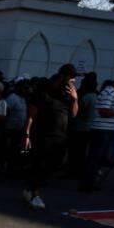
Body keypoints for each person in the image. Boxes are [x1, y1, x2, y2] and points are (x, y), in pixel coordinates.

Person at [22, 65, 78, 209]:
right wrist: (27, 134)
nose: (73, 82)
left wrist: (74, 99)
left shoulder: (67, 95)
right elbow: (31, 115)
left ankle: (31, 186)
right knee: (39, 164)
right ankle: (35, 194)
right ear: (63, 76)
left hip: (60, 137)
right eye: (71, 78)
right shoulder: (43, 92)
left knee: (55, 164)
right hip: (42, 135)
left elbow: (73, 114)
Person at [83, 74, 114, 191]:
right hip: (102, 130)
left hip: (104, 129)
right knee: (95, 158)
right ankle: (88, 184)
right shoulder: (110, 92)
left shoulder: (110, 91)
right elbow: (103, 111)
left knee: (95, 157)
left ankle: (89, 183)